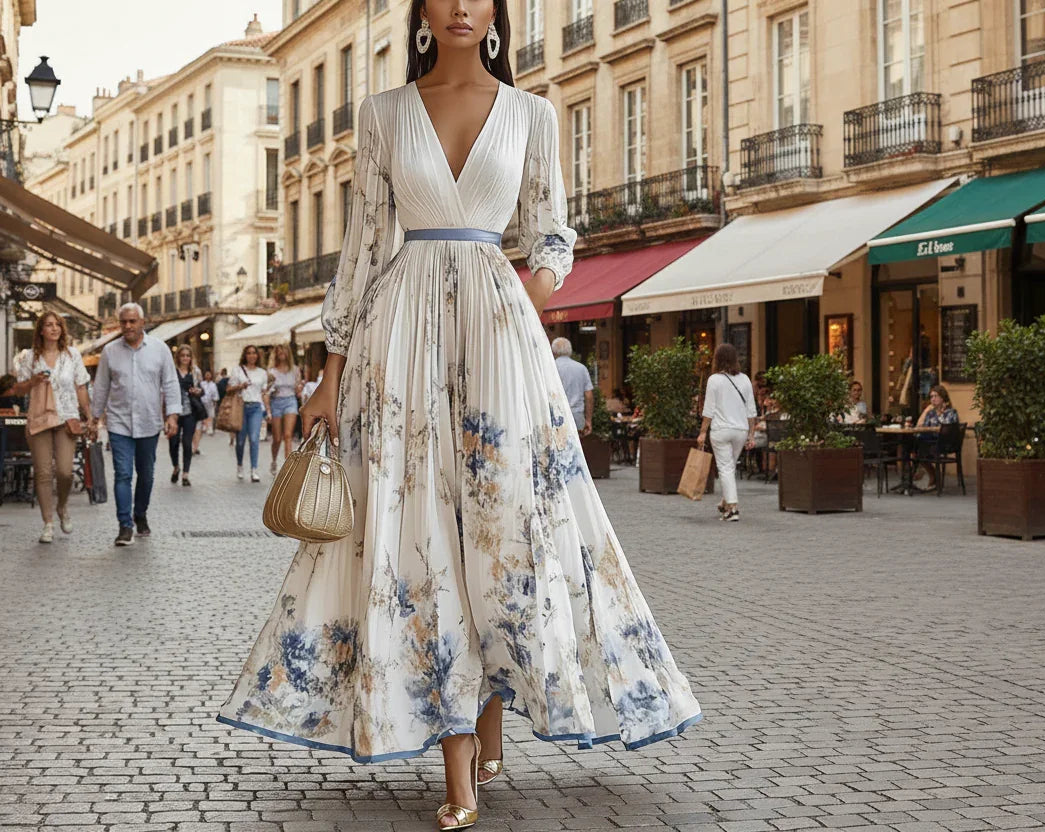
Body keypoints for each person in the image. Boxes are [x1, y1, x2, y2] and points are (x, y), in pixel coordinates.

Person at [216, 8, 700, 831]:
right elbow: (362, 250)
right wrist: (330, 374)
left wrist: (519, 299)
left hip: (500, 337)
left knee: (504, 527)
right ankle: (459, 755)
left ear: (499, 13)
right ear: (422, 12)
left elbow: (551, 234)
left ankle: (492, 706)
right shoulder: (382, 114)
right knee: (420, 533)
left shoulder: (533, 114)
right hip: (399, 338)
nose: (462, 6)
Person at [89, 303, 181, 546]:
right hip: (119, 422)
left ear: (142, 322)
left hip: (149, 421)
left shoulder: (160, 349)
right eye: (124, 322)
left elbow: (170, 383)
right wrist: (95, 418)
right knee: (123, 474)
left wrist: (172, 415)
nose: (128, 326)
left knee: (146, 474)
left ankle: (140, 513)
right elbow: (101, 386)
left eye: (132, 321)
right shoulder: (110, 351)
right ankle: (124, 525)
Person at [10, 311, 91, 544]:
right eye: (49, 325)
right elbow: (19, 389)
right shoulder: (30, 357)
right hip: (39, 419)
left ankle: (62, 507)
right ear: (41, 330)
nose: (54, 328)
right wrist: (32, 381)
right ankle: (48, 523)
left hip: (66, 419)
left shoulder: (72, 355)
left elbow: (81, 386)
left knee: (65, 471)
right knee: (43, 473)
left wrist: (89, 415)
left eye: (58, 325)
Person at [696, 343, 757, 522]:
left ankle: (733, 508)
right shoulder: (745, 379)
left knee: (725, 468)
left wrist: (702, 432)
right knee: (730, 467)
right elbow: (751, 410)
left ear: (717, 359)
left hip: (721, 430)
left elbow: (709, 410)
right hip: (741, 430)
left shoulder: (714, 380)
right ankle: (725, 503)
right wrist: (751, 434)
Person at [227, 345, 269, 483]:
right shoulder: (237, 370)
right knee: (240, 441)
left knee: (254, 438)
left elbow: (264, 393)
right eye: (249, 353)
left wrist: (268, 411)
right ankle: (240, 465)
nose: (252, 355)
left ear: (257, 355)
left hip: (256, 407)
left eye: (254, 353)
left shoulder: (262, 373)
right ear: (245, 355)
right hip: (241, 407)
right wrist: (240, 386)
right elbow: (228, 389)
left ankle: (254, 470)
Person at [912, 384, 959, 490]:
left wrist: (940, 415)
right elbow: (922, 427)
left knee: (919, 449)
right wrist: (926, 411)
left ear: (943, 398)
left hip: (945, 443)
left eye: (936, 396)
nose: (933, 399)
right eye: (931, 397)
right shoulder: (930, 413)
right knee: (914, 445)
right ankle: (931, 476)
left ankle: (933, 476)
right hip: (931, 442)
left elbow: (946, 430)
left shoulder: (951, 412)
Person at [168, 346, 203, 487]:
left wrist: (198, 391)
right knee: (173, 443)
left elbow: (202, 390)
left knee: (187, 443)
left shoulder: (195, 372)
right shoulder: (172, 371)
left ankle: (185, 474)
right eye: (182, 355)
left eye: (188, 355)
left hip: (190, 412)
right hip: (174, 413)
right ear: (178, 357)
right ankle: (176, 467)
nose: (185, 358)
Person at [265, 344, 303, 474]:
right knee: (277, 438)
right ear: (276, 354)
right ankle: (274, 461)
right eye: (279, 351)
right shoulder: (271, 372)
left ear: (288, 353)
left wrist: (299, 389)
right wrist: (268, 409)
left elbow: (298, 390)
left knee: (288, 436)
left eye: (284, 351)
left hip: (290, 401)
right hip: (276, 402)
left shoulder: (295, 370)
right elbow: (266, 391)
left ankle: (288, 468)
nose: (281, 353)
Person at [551, 336, 593, 436]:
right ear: (570, 351)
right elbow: (589, 395)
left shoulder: (550, 368)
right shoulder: (581, 368)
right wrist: (588, 420)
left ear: (554, 351)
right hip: (577, 416)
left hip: (556, 416)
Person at [196, 365, 218, 447]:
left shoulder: (213, 384)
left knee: (210, 415)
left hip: (210, 402)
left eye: (209, 374)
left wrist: (215, 400)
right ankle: (204, 426)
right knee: (203, 415)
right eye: (206, 374)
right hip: (202, 401)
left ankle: (210, 428)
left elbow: (215, 393)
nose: (208, 376)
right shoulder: (202, 384)